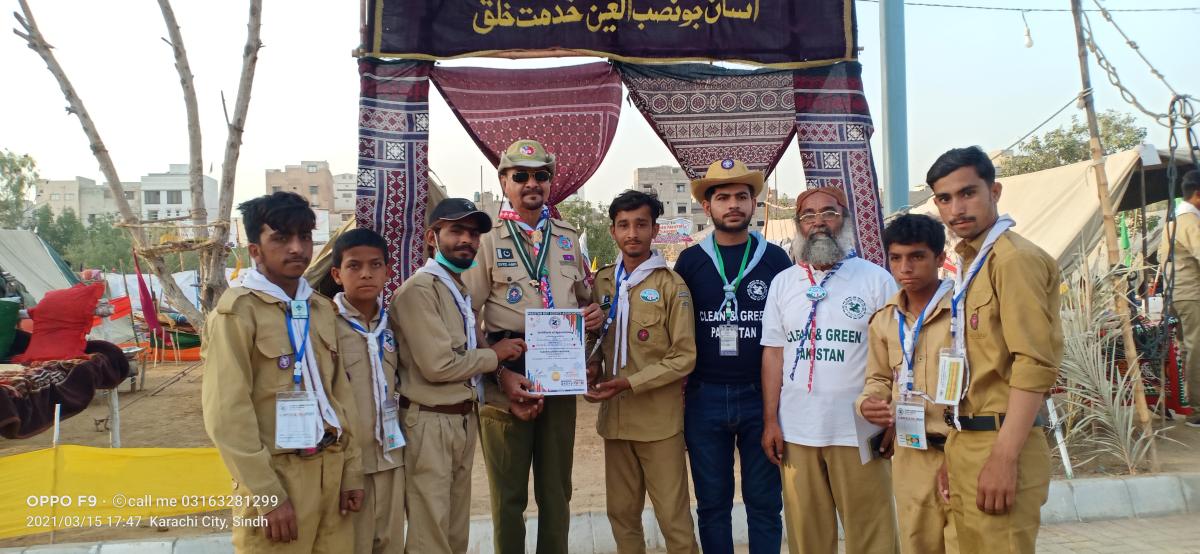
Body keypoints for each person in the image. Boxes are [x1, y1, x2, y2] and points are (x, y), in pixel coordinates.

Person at [462, 139, 604, 554]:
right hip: (507, 370)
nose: (531, 183)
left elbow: (582, 299)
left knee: (557, 491)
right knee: (508, 496)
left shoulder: (566, 238)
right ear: (504, 181)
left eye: (541, 175)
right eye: (520, 175)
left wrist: (590, 315)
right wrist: (498, 373)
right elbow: (466, 315)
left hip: (560, 369)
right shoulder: (485, 239)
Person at [202, 191, 363, 552]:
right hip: (280, 478)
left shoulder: (321, 310)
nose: (297, 249)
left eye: (304, 237)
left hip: (331, 470)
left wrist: (351, 471)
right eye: (281, 238)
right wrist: (267, 495)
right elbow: (227, 416)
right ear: (255, 250)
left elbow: (340, 396)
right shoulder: (237, 315)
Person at [927, 146, 1061, 554]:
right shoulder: (970, 263)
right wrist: (955, 450)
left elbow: (1034, 364)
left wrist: (1003, 458)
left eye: (968, 193)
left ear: (995, 190)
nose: (957, 209)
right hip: (967, 439)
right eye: (945, 199)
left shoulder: (1014, 260)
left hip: (1003, 440)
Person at [759, 186, 899, 554]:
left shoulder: (875, 279)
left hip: (858, 430)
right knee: (808, 539)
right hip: (797, 431)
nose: (818, 222)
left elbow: (896, 354)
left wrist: (892, 417)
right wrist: (771, 420)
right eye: (808, 215)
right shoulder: (783, 283)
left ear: (845, 220)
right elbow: (773, 355)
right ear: (798, 226)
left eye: (829, 213)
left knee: (873, 536)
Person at [394, 198, 526, 554]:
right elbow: (439, 367)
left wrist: (504, 386)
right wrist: (495, 355)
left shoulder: (456, 290)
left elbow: (463, 358)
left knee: (454, 533)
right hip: (429, 423)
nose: (466, 240)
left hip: (460, 420)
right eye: (456, 231)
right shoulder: (420, 291)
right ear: (432, 237)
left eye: (473, 233)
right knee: (429, 535)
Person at [673, 158, 789, 553]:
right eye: (723, 197)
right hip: (705, 397)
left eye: (742, 196)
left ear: (754, 203)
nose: (733, 204)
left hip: (762, 397)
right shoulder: (690, 261)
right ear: (707, 207)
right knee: (712, 505)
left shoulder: (776, 260)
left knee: (765, 504)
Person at [586, 190, 698, 554]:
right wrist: (588, 368)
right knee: (621, 515)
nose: (632, 233)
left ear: (655, 230)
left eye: (640, 224)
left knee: (674, 520)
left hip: (658, 424)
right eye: (623, 225)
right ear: (613, 230)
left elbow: (684, 357)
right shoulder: (602, 283)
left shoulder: (671, 285)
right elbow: (595, 342)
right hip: (615, 422)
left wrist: (629, 383)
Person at [858, 214, 958, 554]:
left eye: (917, 257)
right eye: (896, 258)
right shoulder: (885, 320)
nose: (905, 268)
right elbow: (879, 378)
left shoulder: (964, 312)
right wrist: (869, 402)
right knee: (917, 544)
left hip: (961, 447)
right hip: (911, 452)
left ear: (940, 259)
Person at [329, 228, 405, 554]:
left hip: (391, 456)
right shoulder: (326, 325)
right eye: (354, 266)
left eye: (375, 265)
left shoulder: (394, 323)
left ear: (388, 272)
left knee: (389, 541)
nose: (365, 274)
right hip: (349, 462)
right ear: (336, 274)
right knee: (353, 544)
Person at [1158, 170, 1200, 427]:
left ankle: (1193, 405)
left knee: (1188, 349)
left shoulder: (1175, 220)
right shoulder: (1189, 221)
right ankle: (1197, 409)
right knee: (1197, 349)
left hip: (1178, 293)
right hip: (1190, 293)